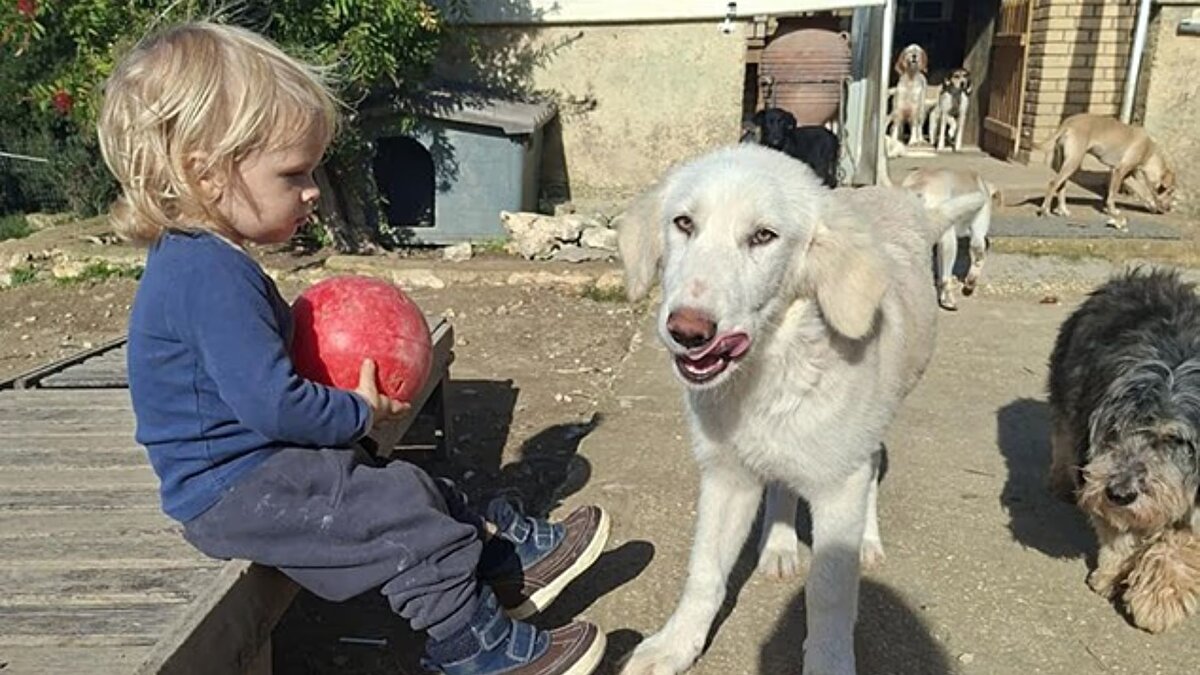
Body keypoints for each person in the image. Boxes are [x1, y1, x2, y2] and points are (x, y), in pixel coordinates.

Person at [96, 21, 609, 675]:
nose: (312, 189)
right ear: (207, 174)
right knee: (392, 516)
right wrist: (356, 413)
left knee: (405, 482)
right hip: (232, 491)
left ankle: (502, 565)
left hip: (254, 470)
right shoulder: (208, 273)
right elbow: (270, 403)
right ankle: (469, 646)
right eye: (293, 172)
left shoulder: (206, 260)